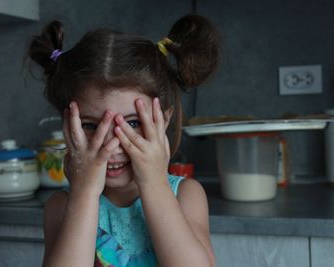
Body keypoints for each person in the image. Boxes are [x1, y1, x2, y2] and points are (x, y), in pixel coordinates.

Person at [28, 14, 222, 267]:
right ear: (68, 127)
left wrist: (154, 184)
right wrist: (84, 194)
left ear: (163, 121)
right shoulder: (62, 206)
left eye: (132, 123)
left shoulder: (185, 195)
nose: (112, 144)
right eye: (90, 125)